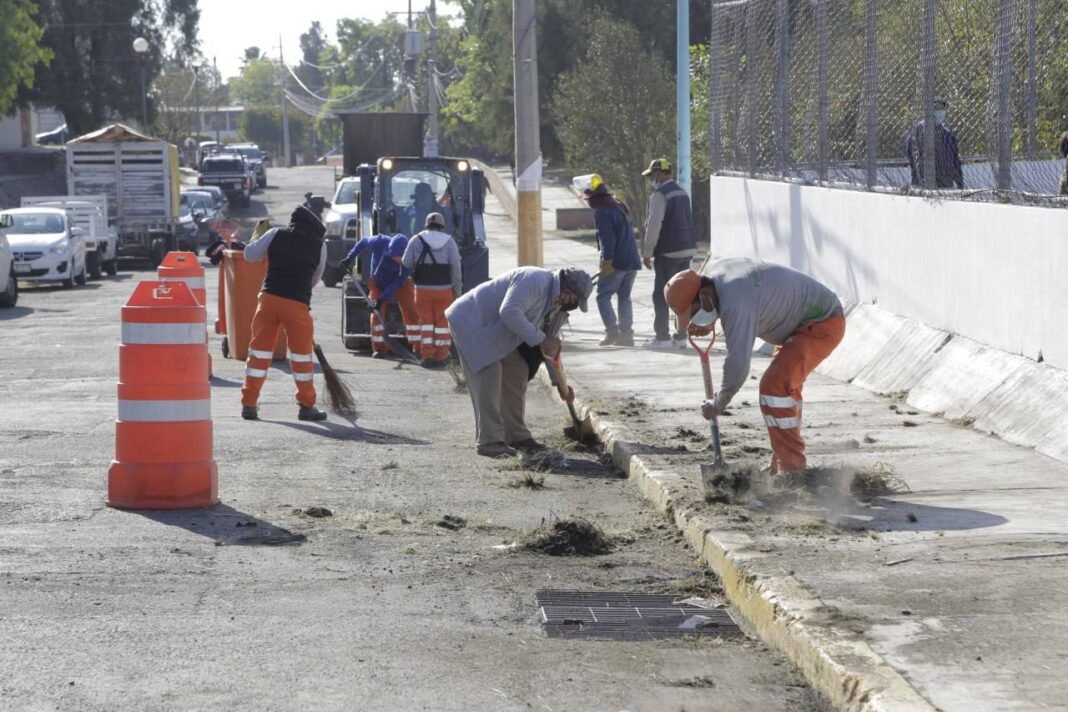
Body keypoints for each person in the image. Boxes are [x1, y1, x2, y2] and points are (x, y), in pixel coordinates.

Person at [664, 259, 845, 475]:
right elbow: (729, 300)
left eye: (694, 314)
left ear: (704, 297)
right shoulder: (718, 278)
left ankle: (793, 471)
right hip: (799, 324)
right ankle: (782, 462)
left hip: (821, 323)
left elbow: (738, 365)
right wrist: (710, 319)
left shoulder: (737, 302)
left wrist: (719, 403)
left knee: (774, 387)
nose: (694, 320)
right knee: (783, 391)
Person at [446, 267, 594, 458]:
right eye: (575, 301)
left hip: (497, 331)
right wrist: (541, 338)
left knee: (517, 371)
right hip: (472, 321)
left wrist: (560, 382)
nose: (572, 306)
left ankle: (516, 435)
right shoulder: (534, 280)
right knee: (489, 377)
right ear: (567, 291)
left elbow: (550, 347)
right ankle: (490, 441)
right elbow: (509, 311)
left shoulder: (558, 305)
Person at [240, 204, 329, 422]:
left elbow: (249, 255)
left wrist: (255, 237)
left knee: (259, 353)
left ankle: (249, 404)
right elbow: (315, 278)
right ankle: (306, 406)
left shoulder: (275, 234)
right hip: (297, 304)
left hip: (268, 299)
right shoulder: (320, 246)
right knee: (301, 357)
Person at [573, 173, 641, 347]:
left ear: (594, 197)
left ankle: (612, 333)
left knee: (602, 297)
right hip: (632, 259)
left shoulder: (602, 212)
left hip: (617, 261)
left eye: (588, 198)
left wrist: (607, 261)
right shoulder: (618, 204)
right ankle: (627, 336)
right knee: (624, 297)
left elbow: (607, 240)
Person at [640, 157, 696, 349]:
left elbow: (654, 225)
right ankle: (681, 337)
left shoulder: (660, 195)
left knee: (661, 295)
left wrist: (647, 252)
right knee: (682, 295)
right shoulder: (682, 193)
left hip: (668, 252)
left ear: (658, 173)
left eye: (652, 175)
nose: (651, 180)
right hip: (687, 249)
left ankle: (662, 338)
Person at [341, 233, 420, 359]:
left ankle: (417, 347)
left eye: (401, 257)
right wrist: (350, 258)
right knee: (377, 313)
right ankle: (379, 348)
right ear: (390, 250)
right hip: (377, 283)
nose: (398, 259)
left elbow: (397, 283)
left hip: (400, 285)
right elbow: (363, 242)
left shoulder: (408, 261)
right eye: (396, 256)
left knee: (411, 309)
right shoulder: (379, 241)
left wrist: (382, 299)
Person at [401, 212, 462, 366]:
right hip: (444, 290)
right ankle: (441, 356)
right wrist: (457, 288)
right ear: (442, 225)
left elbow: (406, 262)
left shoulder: (416, 239)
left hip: (422, 289)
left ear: (426, 224)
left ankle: (427, 355)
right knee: (442, 324)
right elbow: (456, 267)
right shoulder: (449, 242)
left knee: (425, 322)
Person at [905, 96, 963, 189]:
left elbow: (955, 160)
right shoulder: (918, 130)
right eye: (937, 108)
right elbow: (911, 152)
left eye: (942, 109)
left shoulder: (947, 134)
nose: (940, 112)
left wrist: (959, 182)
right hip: (922, 182)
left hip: (945, 183)